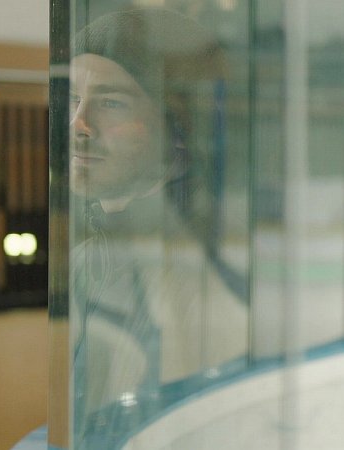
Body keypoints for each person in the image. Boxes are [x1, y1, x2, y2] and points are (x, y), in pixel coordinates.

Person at [66, 8, 248, 448]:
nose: (79, 125)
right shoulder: (91, 252)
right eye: (73, 99)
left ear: (179, 126)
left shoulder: (196, 275)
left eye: (111, 102)